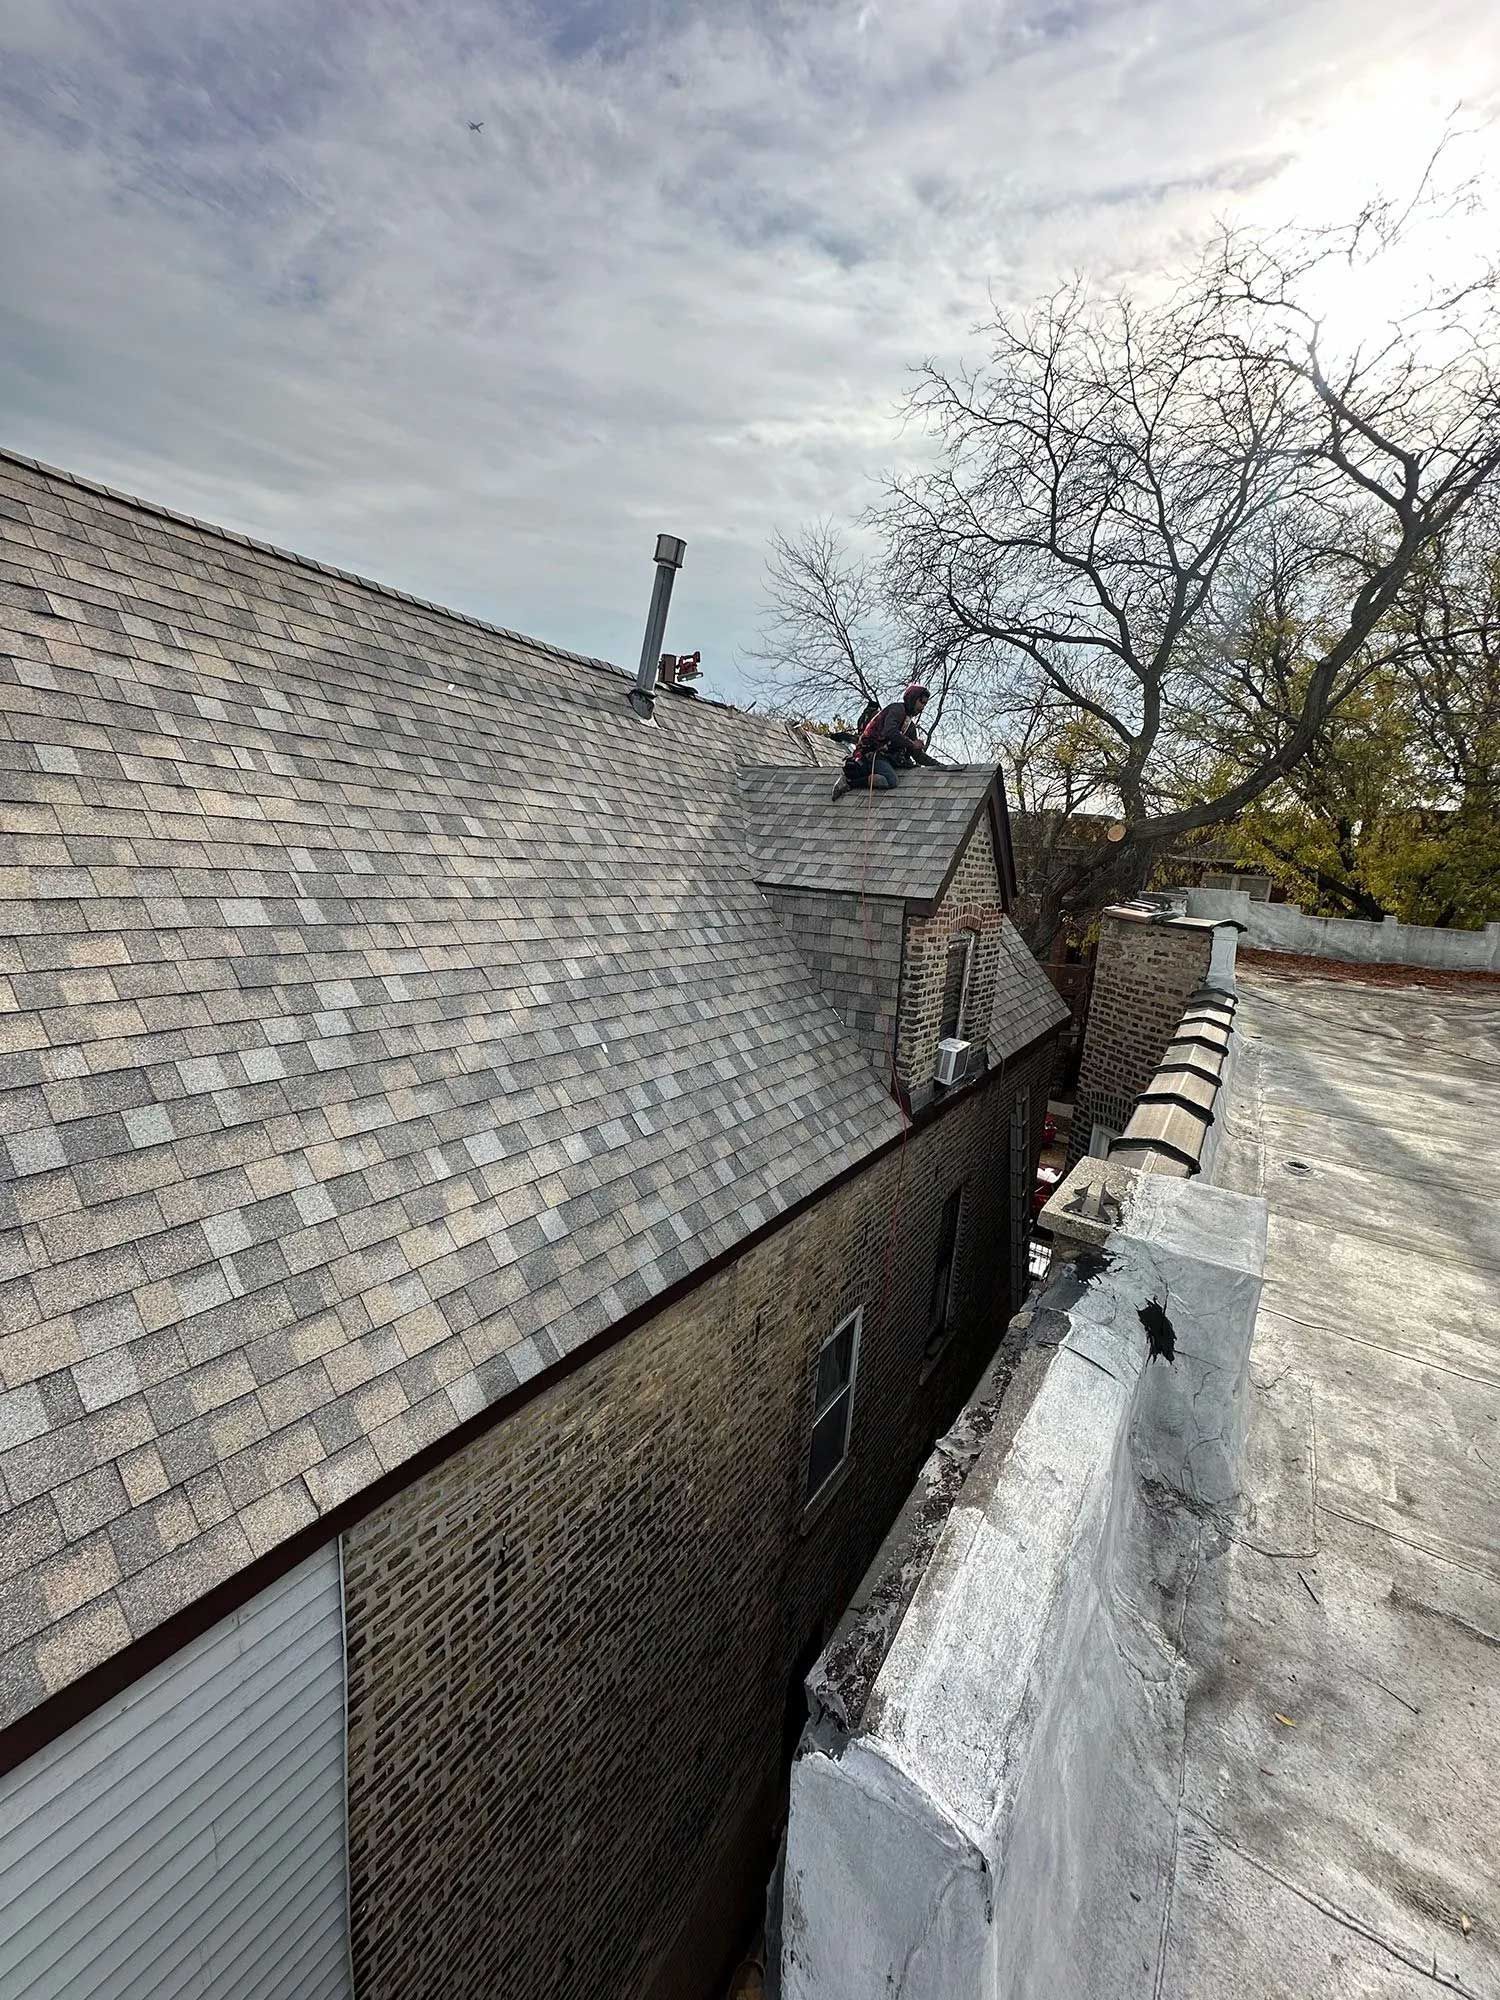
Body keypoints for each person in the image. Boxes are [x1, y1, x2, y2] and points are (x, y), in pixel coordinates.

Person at [832, 682, 935, 799]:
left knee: (894, 775)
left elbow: (917, 755)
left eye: (925, 704)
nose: (922, 707)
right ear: (913, 699)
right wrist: (912, 743)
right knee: (891, 780)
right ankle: (849, 781)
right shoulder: (897, 709)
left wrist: (939, 766)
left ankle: (862, 776)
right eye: (921, 702)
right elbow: (890, 732)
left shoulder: (910, 726)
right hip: (870, 754)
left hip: (885, 758)